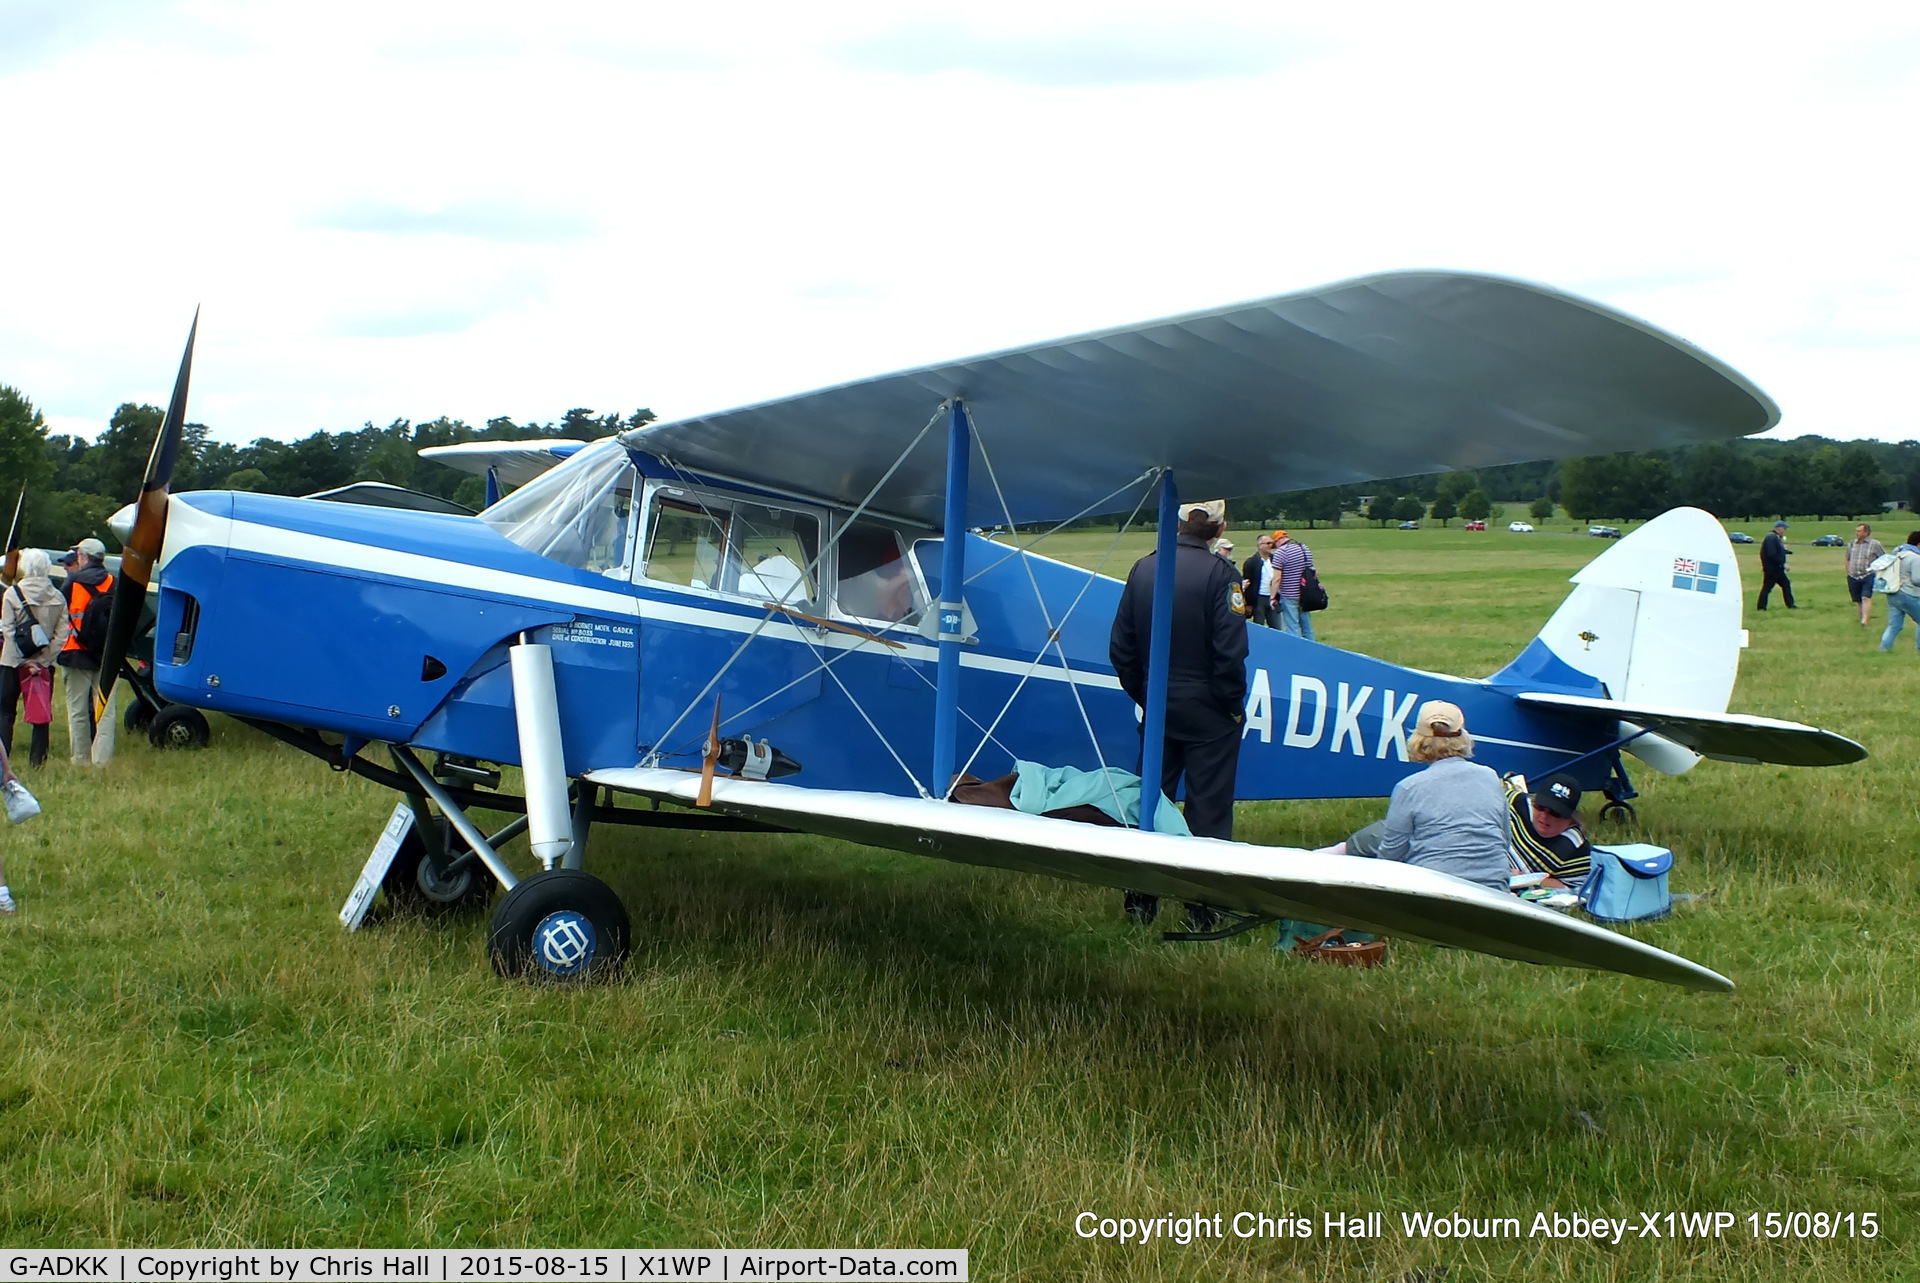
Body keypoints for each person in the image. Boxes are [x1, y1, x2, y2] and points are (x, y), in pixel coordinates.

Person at [1110, 504, 1249, 923]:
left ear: (1176, 523)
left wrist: (1148, 694)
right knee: (1208, 807)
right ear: (1219, 528)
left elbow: (1121, 648)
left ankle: (1140, 903)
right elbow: (1231, 652)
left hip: (1157, 704)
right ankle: (1203, 909)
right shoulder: (1223, 575)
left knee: (1150, 801)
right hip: (1207, 708)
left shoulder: (1143, 569)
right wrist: (1230, 705)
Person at [1338, 700, 1509, 893]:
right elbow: (1504, 839)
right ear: (1463, 737)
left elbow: (1391, 856)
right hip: (1494, 889)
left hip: (1434, 892)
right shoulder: (1490, 776)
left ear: (1418, 740)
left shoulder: (1409, 788)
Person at [0, 549, 71, 768]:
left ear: (26, 567)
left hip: (12, 661)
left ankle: (3, 760)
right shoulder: (58, 597)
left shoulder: (12, 594)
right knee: (41, 714)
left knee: (5, 711)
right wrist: (44, 659)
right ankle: (38, 761)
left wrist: (21, 659)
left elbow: (7, 630)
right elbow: (62, 635)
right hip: (43, 664)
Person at [57, 537, 117, 766]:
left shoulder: (72, 581)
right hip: (106, 655)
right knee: (106, 711)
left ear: (83, 557)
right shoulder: (114, 582)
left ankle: (80, 759)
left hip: (76, 652)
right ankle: (102, 761)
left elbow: (62, 614)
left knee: (78, 710)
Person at [1502, 772, 1592, 882]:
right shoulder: (1514, 805)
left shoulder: (1577, 849)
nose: (1544, 816)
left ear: (1570, 819)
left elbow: (1573, 889)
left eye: (1555, 813)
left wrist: (1528, 881)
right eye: (1540, 807)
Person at [1270, 529, 1316, 640]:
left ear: (1278, 541)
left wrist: (1272, 597)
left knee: (1292, 627)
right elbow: (1312, 570)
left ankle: (1296, 652)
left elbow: (1277, 578)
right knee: (1307, 626)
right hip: (1306, 594)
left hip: (1289, 594)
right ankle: (1311, 649)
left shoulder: (1281, 552)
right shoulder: (1304, 548)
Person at [1879, 531, 1920, 654]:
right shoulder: (1916, 558)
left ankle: (1884, 650)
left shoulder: (1897, 554)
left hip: (1893, 593)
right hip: (1909, 594)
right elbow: (1917, 579)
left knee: (1894, 626)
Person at [1846, 523, 1886, 627]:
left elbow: (1883, 559)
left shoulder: (1875, 544)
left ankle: (1865, 621)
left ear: (1866, 533)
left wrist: (1878, 571)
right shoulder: (1851, 544)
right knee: (1858, 600)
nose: (1857, 533)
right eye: (1856, 531)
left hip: (1868, 575)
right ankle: (1861, 620)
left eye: (1859, 531)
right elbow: (1848, 558)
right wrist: (1848, 571)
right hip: (1853, 575)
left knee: (1866, 597)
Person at [1240, 533, 1277, 628]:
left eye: (1272, 543)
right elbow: (1247, 583)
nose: (1270, 546)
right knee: (1259, 625)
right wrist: (1248, 603)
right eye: (1268, 543)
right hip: (1259, 598)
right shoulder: (1251, 562)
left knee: (1276, 626)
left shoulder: (1275, 560)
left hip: (1272, 597)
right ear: (1260, 546)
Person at [1758, 521, 1794, 610]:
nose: (1785, 531)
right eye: (1784, 528)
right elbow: (1772, 554)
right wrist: (1783, 564)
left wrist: (1786, 551)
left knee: (1785, 584)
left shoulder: (1776, 538)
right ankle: (1761, 607)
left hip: (1776, 568)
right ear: (1778, 528)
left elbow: (1777, 551)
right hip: (1772, 569)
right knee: (1767, 588)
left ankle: (1790, 605)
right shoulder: (1771, 538)